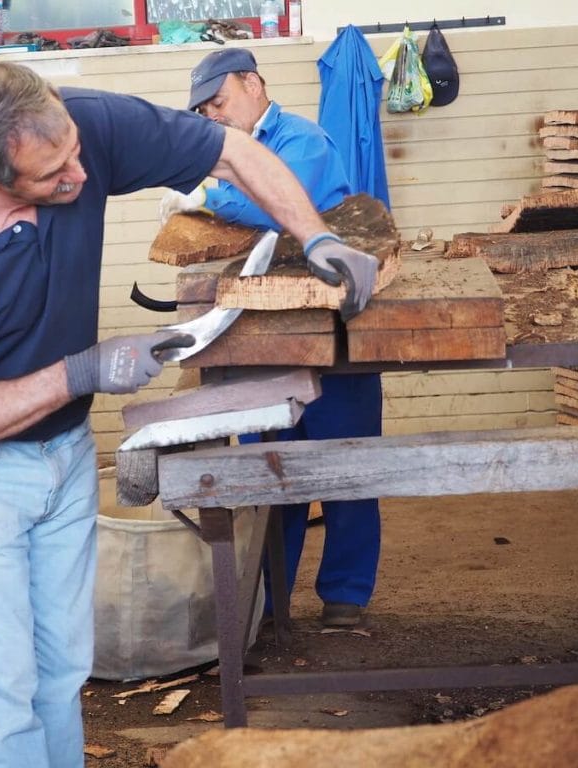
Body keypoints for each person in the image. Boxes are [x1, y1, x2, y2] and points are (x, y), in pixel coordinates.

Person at [0, 60, 379, 768]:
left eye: (76, 152)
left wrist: (319, 235)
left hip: (64, 452)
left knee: (60, 675)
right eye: (54, 175)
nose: (81, 177)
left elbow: (233, 150)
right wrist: (81, 372)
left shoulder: (85, 126)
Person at [162, 47, 383, 629]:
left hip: (332, 329)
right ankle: (269, 598)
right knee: (270, 475)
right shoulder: (232, 149)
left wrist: (210, 197)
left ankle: (345, 594)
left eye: (220, 101)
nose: (215, 115)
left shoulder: (303, 140)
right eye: (206, 110)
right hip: (263, 337)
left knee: (348, 468)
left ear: (254, 83)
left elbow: (278, 202)